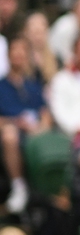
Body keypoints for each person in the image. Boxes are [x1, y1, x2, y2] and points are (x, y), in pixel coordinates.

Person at [1, 38, 52, 213]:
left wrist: (39, 128)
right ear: (8, 55)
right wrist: (16, 123)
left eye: (22, 51)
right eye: (15, 50)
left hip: (35, 136)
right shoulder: (2, 86)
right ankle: (18, 185)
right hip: (12, 135)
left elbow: (45, 114)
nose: (19, 55)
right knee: (9, 134)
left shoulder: (33, 86)